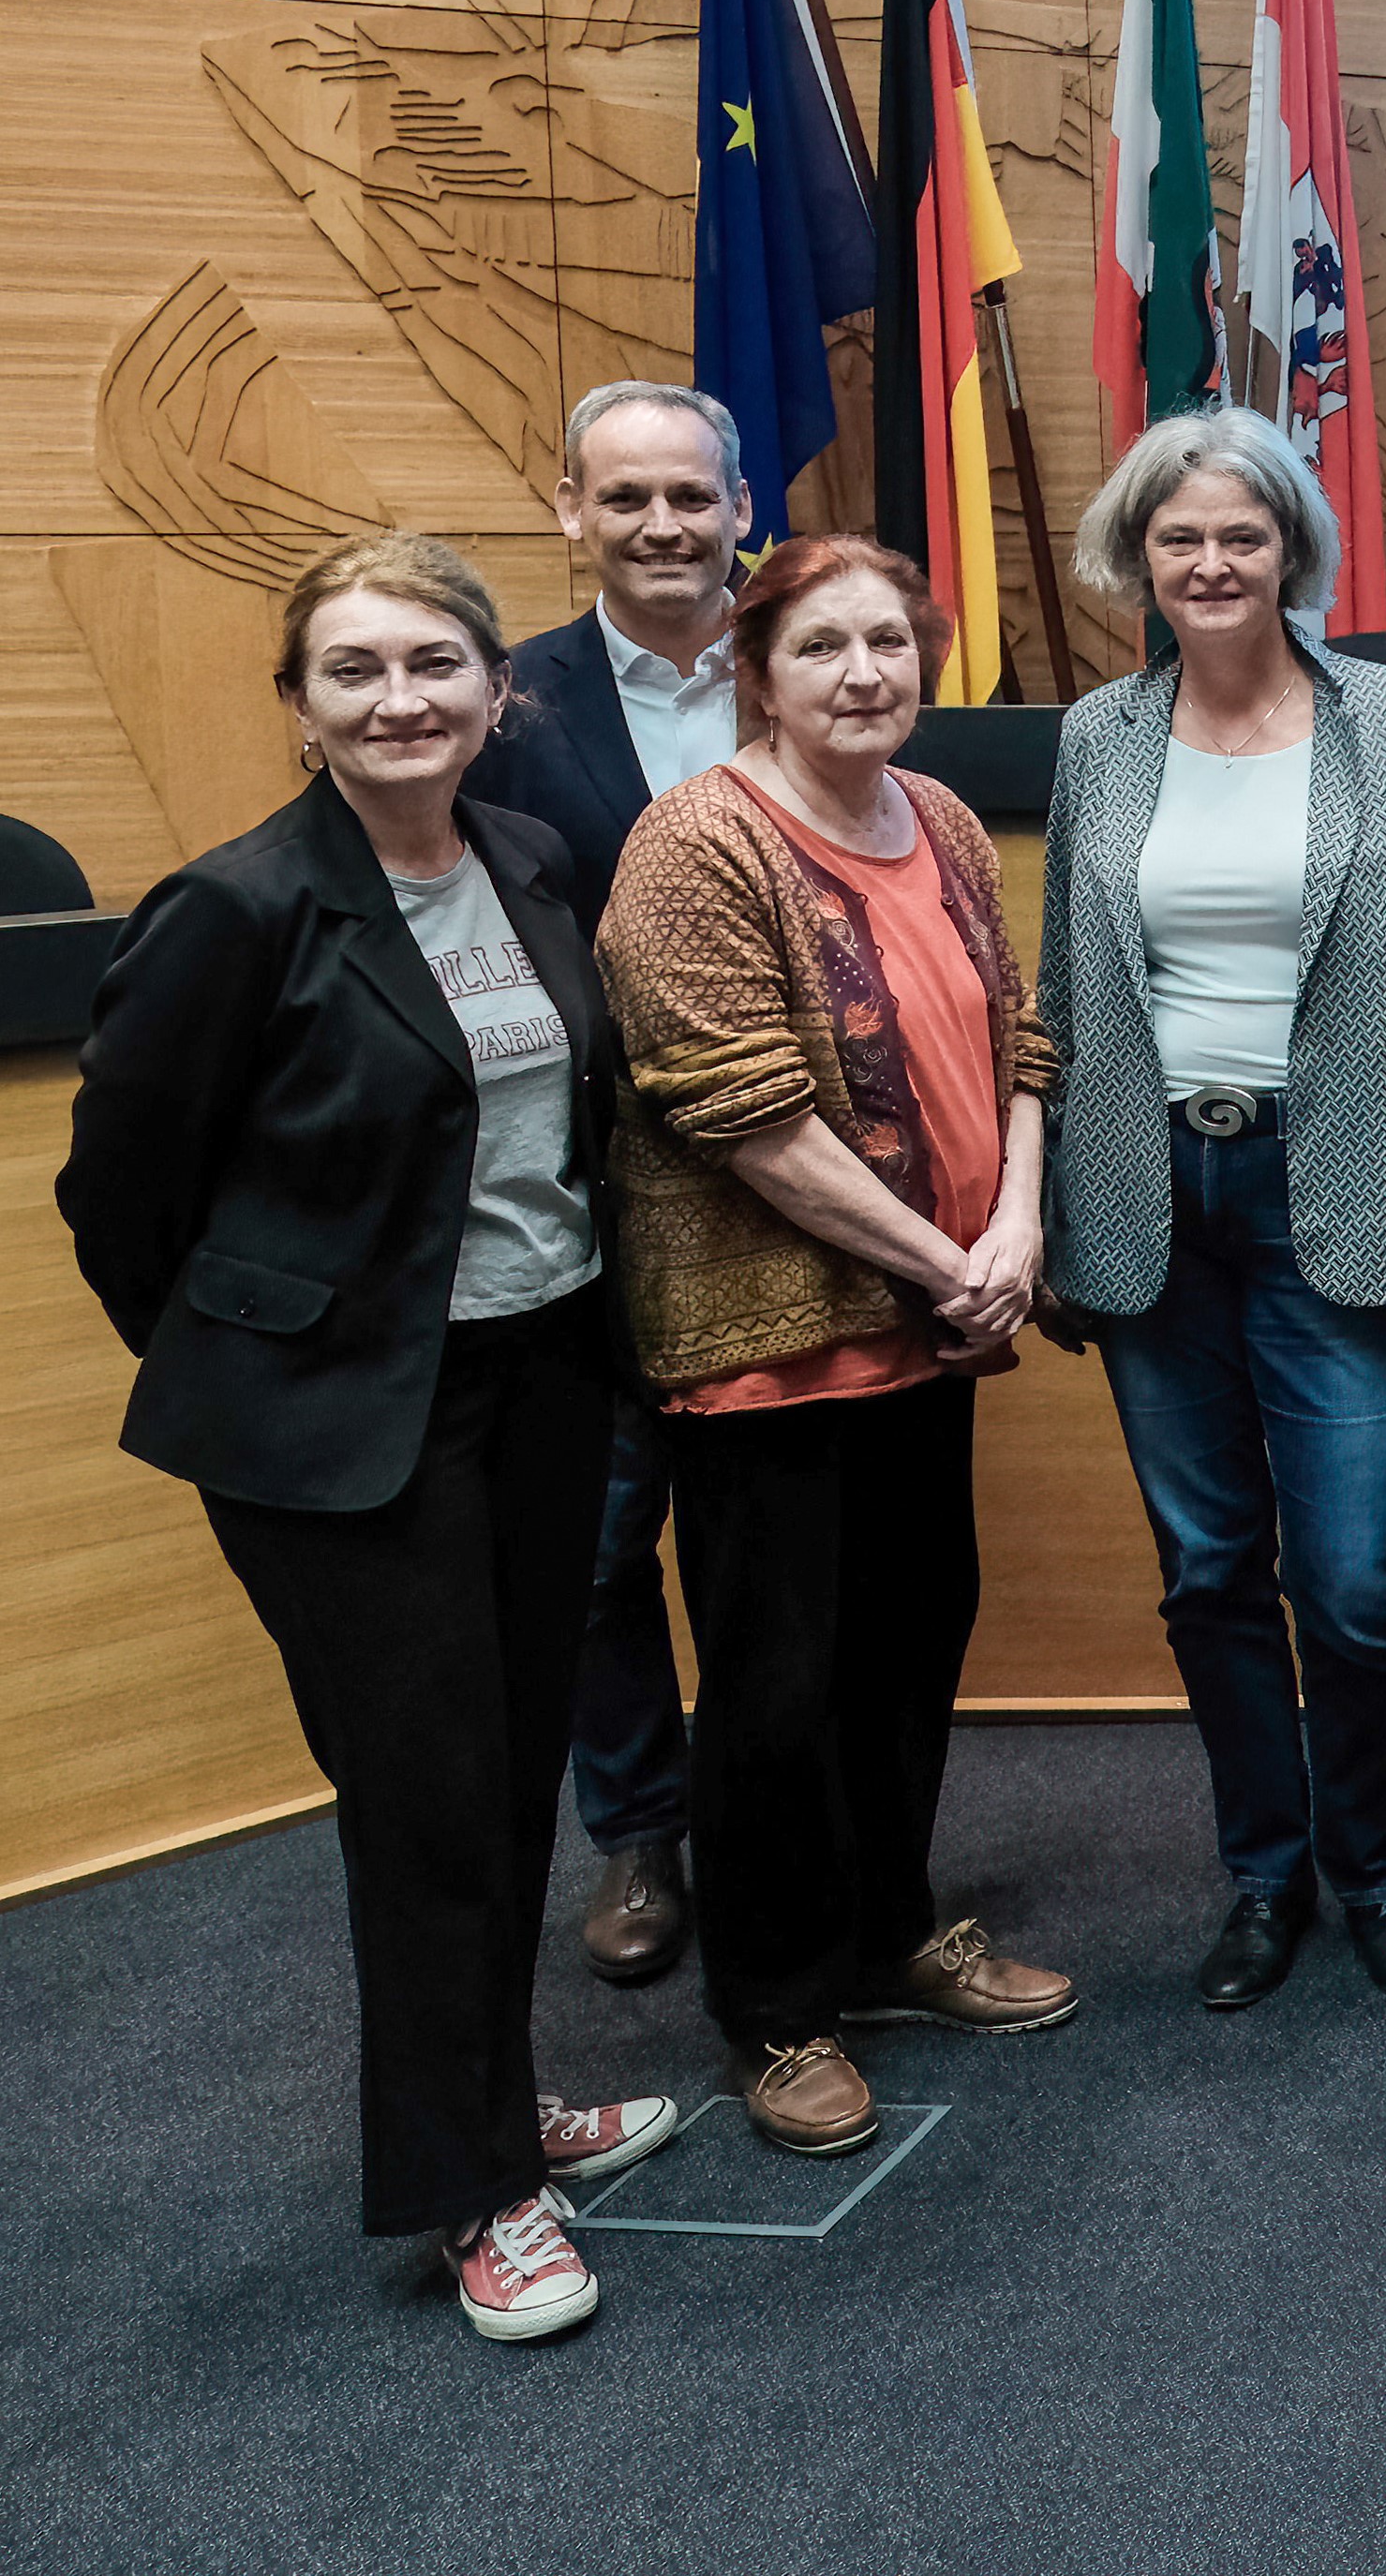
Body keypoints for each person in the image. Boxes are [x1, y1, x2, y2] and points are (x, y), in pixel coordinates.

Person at [60, 533, 673, 2342]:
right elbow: (121, 1196)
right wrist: (270, 1361)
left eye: (432, 663)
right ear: (299, 701)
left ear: (497, 690)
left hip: (540, 1376)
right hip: (342, 1421)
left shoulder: (529, 856)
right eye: (355, 669)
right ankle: (470, 2187)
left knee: (514, 1762)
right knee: (426, 1800)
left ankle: (496, 2101)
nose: (400, 699)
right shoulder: (237, 908)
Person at [595, 535, 1072, 2157]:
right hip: (770, 1349)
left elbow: (1017, 1040)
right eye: (822, 646)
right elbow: (743, 1115)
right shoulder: (693, 843)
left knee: (910, 1640)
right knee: (777, 1686)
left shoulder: (939, 815)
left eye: (890, 641)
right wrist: (956, 1262)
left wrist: (1018, 1226)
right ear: (757, 671)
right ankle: (779, 2006)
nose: (865, 672)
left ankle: (886, 1937)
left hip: (934, 1327)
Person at [1042, 411, 1386, 2010]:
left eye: (1241, 533)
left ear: (1291, 548)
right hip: (1147, 1189)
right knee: (1207, 1568)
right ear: (1141, 555)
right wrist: (1040, 1201)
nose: (1211, 561)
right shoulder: (1100, 735)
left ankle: (1380, 1872)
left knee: (1356, 1576)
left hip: (1348, 1178)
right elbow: (1067, 989)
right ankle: (1264, 1872)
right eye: (1180, 536)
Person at [475, 384, 757, 1994]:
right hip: (586, 1189)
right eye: (627, 496)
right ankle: (641, 1828)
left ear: (740, 508)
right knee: (596, 1543)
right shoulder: (505, 701)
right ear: (570, 509)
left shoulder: (813, 657)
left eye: (691, 494)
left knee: (766, 1534)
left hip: (789, 1185)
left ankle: (773, 1813)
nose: (663, 524)